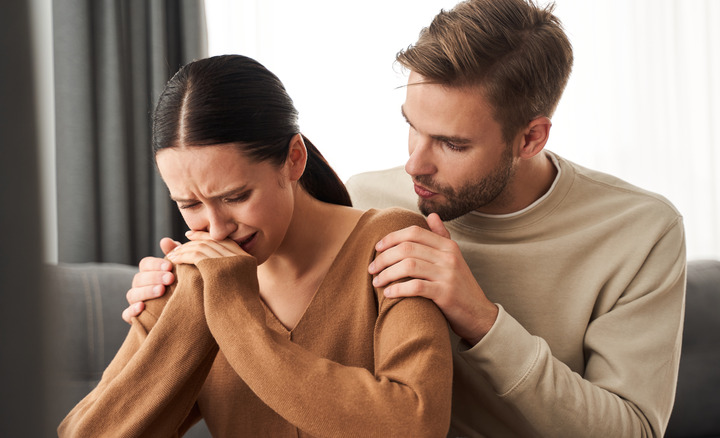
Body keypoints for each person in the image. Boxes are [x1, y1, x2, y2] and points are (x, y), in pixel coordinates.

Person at [125, 1, 686, 436]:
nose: (415, 163)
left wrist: (482, 320)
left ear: (531, 137)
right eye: (411, 125)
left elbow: (632, 429)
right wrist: (172, 305)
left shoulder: (639, 231)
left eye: (451, 143)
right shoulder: (368, 202)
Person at [59, 54, 453, 437]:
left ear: (293, 160)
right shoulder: (193, 277)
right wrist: (195, 301)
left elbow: (414, 423)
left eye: (235, 196)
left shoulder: (390, 244)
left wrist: (233, 311)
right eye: (190, 205)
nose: (215, 230)